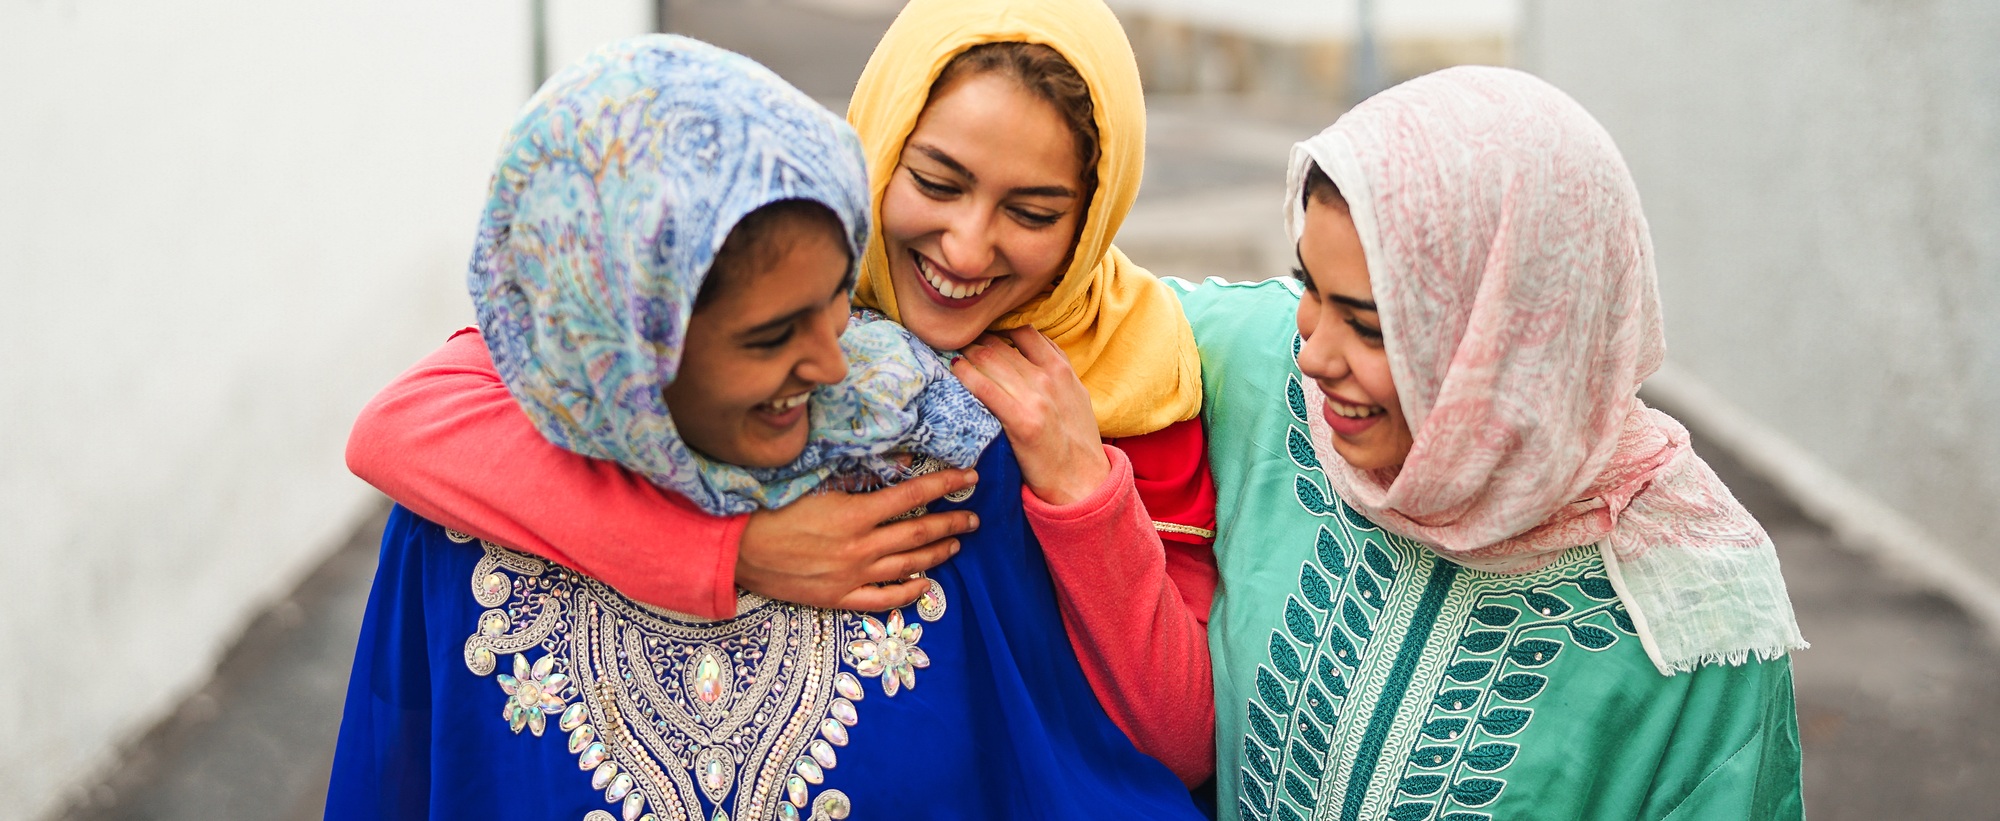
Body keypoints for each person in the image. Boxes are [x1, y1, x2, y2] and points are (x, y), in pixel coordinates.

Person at [324, 36, 1206, 820]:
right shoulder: (476, 489)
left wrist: (1083, 489)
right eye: (937, 182)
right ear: (626, 336)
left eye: (1035, 211)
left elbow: (1138, 749)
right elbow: (401, 425)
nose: (967, 250)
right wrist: (729, 549)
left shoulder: (984, 447)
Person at [1172, 66, 1808, 819]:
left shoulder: (1695, 617)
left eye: (1373, 326)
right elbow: (1067, 310)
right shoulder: (1261, 370)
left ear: (1517, 334)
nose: (1313, 354)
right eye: (1308, 285)